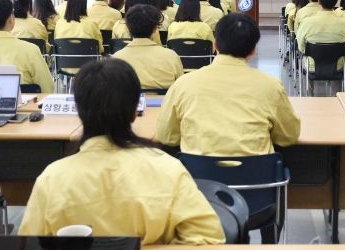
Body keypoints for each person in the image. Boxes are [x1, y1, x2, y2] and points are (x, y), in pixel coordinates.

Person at [18, 59, 225, 245]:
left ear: (79, 111)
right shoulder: (168, 169)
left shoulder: (51, 180)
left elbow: (27, 244)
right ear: (135, 111)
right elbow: (209, 237)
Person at [158, 13, 300, 156]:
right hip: (257, 170)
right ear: (253, 50)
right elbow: (288, 136)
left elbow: (167, 137)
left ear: (215, 45)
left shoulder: (183, 84)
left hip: (195, 170)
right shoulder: (271, 86)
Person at [113, 5, 183, 91]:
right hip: (164, 99)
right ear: (155, 29)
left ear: (128, 27)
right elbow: (180, 86)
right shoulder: (171, 56)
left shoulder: (116, 59)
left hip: (129, 99)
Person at [296, 0, 345, 72]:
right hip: (337, 66)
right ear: (336, 1)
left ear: (319, 1)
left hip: (312, 66)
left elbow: (301, 47)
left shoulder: (306, 23)